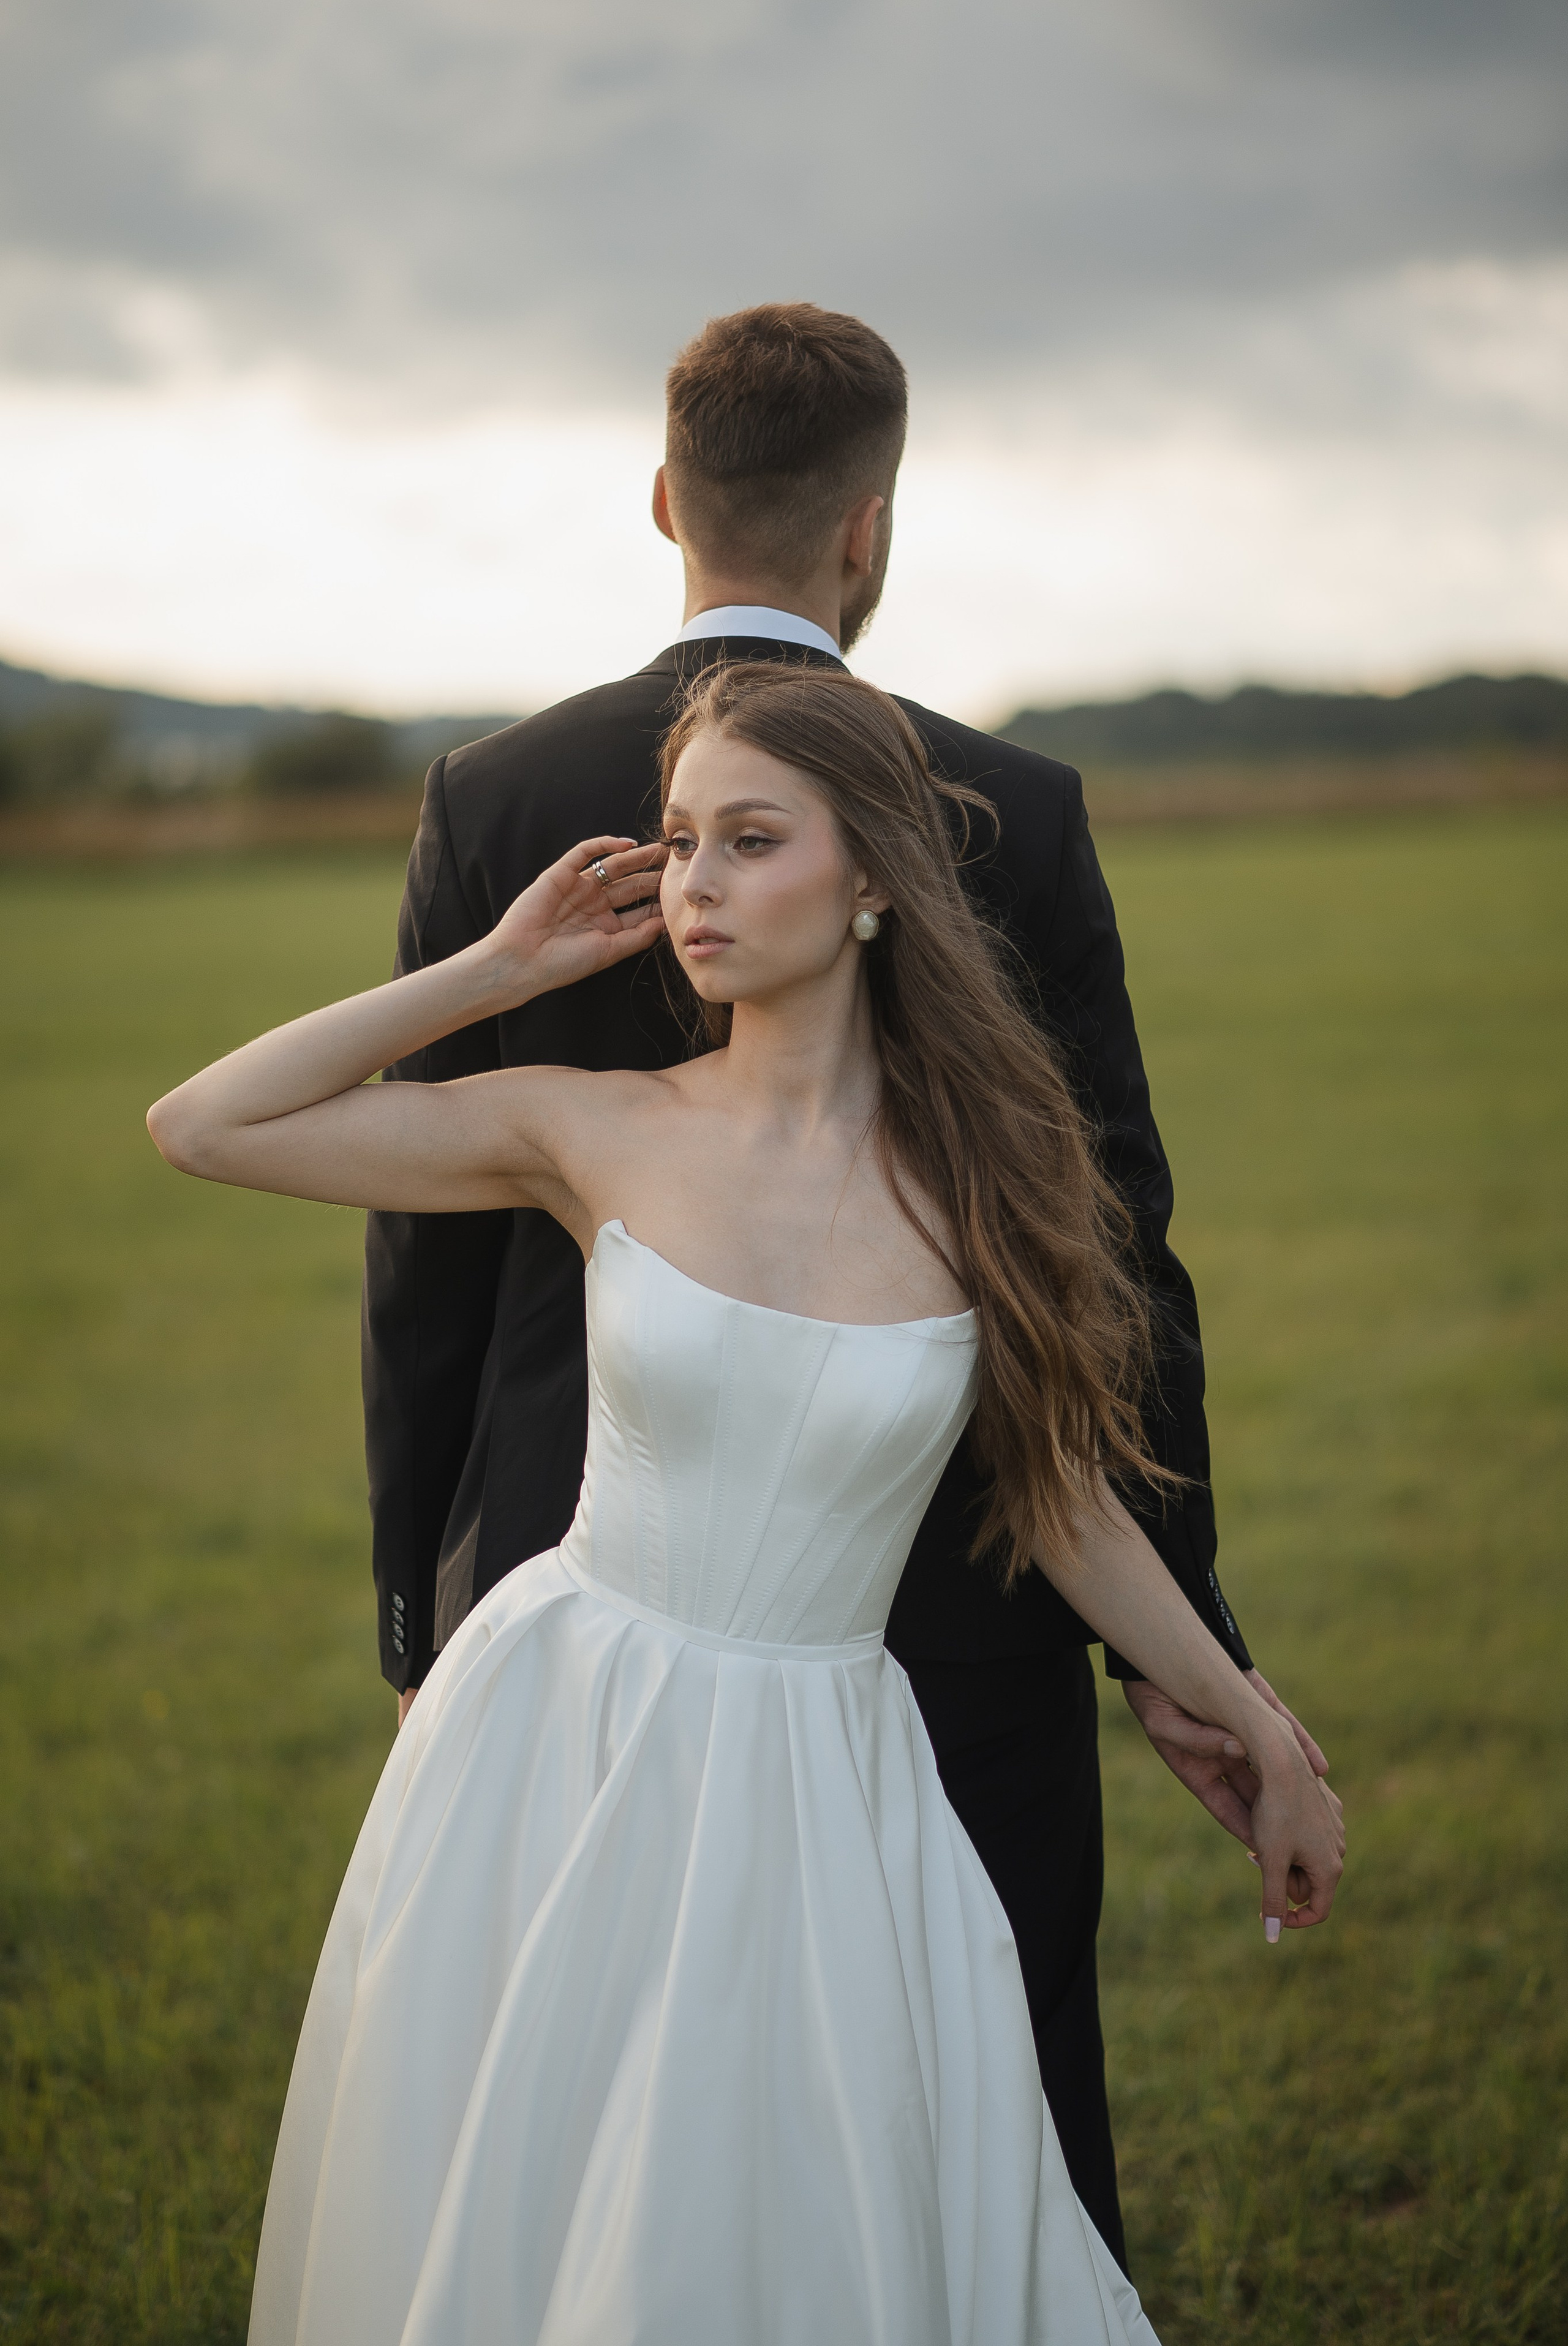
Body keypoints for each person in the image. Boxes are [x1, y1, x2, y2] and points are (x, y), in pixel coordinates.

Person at [148, 659, 1343, 2344]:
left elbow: (1060, 1500)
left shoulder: (986, 1182)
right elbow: (205, 1124)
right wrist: (489, 971)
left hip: (833, 1769)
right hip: (563, 1736)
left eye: (749, 841)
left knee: (802, 2210)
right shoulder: (594, 1130)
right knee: (542, 2200)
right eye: (680, 840)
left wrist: (1254, 1727)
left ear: (873, 880)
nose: (696, 884)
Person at [359, 302, 1333, 2266]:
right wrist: (1179, 1644)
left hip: (573, 1583)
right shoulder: (1015, 806)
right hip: (955, 1597)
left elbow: (424, 1276)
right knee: (976, 2110)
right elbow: (1119, 1258)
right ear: (870, 533)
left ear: (663, 501)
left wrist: (426, 1591)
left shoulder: (496, 788)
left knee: (580, 2124)